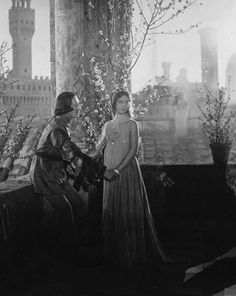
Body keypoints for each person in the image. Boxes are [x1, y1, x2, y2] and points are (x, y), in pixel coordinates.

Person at [30, 91, 116, 256]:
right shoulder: (57, 130)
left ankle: (71, 246)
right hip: (46, 175)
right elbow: (73, 157)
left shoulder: (61, 124)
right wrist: (103, 171)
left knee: (78, 205)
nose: (79, 108)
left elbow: (69, 157)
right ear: (65, 108)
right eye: (75, 105)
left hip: (57, 173)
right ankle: (73, 254)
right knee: (66, 211)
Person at [94, 89, 168, 269]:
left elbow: (133, 150)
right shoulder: (108, 125)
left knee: (127, 209)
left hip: (126, 171)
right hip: (109, 170)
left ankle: (131, 256)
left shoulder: (133, 124)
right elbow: (98, 148)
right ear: (114, 104)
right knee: (111, 209)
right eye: (120, 102)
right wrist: (101, 144)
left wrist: (118, 170)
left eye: (127, 102)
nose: (124, 105)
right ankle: (113, 256)